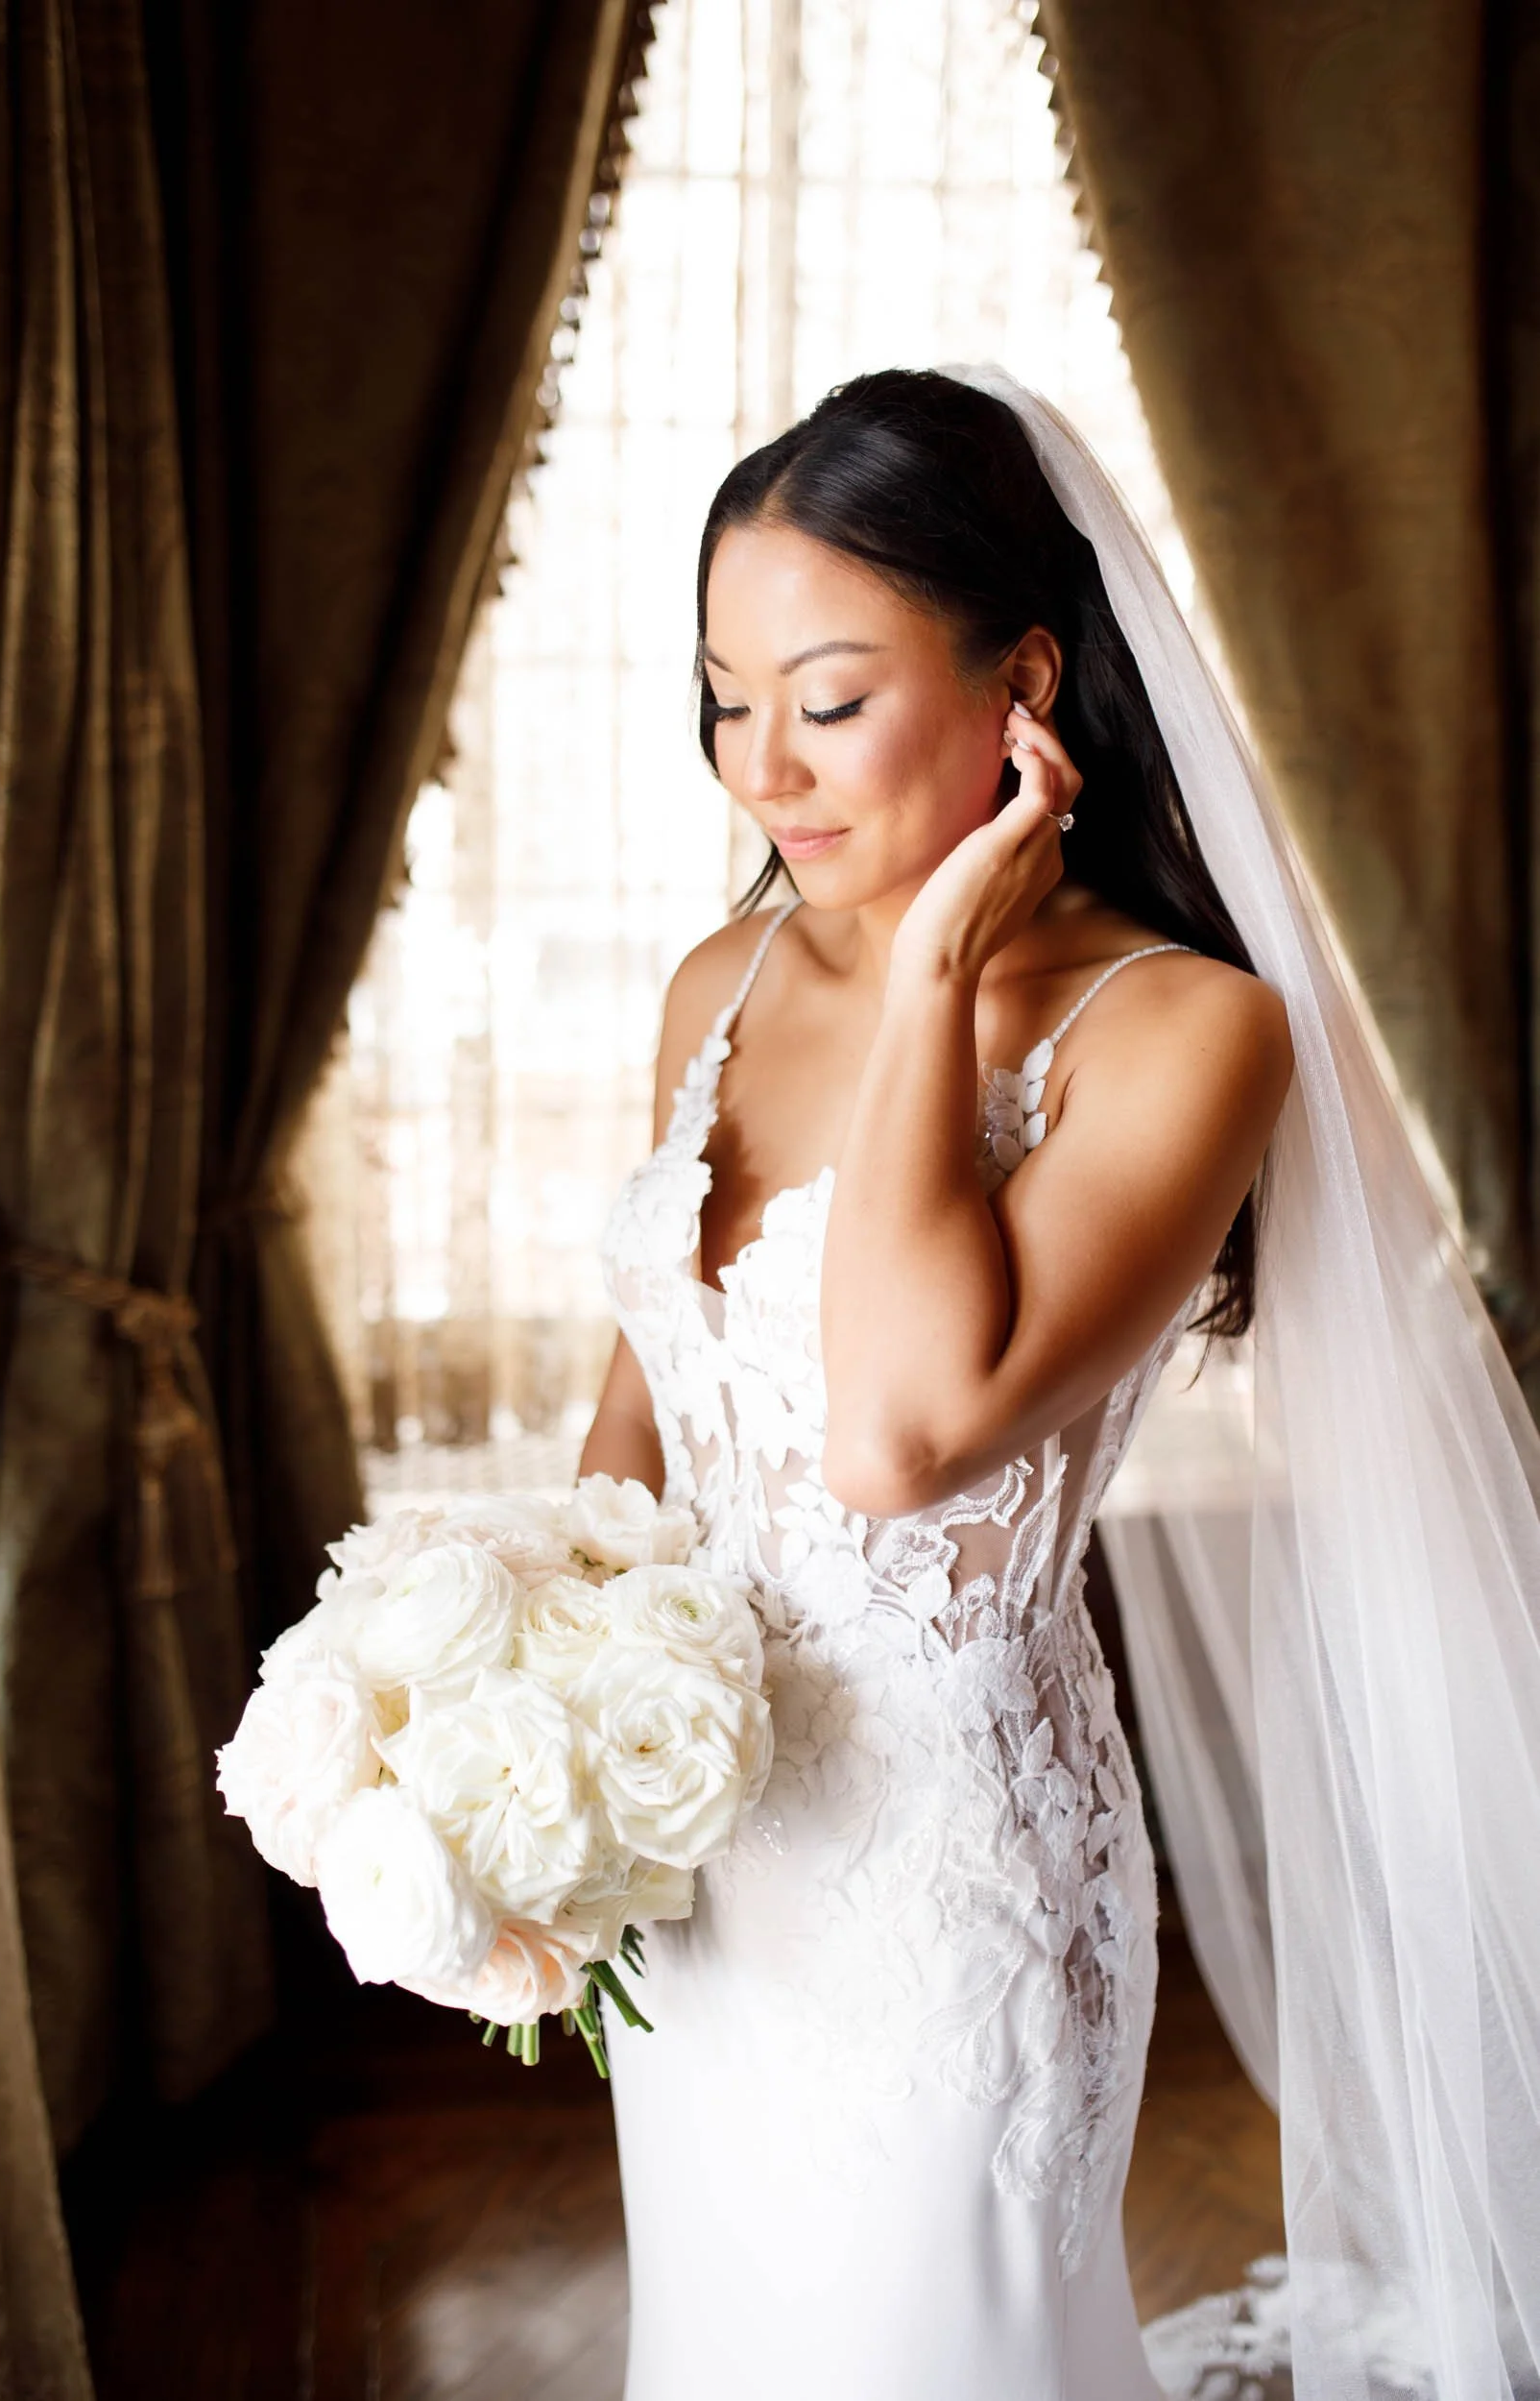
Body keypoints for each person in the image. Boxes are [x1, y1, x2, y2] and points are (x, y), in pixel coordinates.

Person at [581, 370, 1540, 2401]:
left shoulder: (1181, 1031)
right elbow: (635, 1419)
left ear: (1021, 678)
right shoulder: (715, 981)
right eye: (721, 697)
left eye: (825, 699)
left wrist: (934, 967)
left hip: (947, 1888)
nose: (763, 767)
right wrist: (536, 1747)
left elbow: (898, 1432)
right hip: (688, 1858)